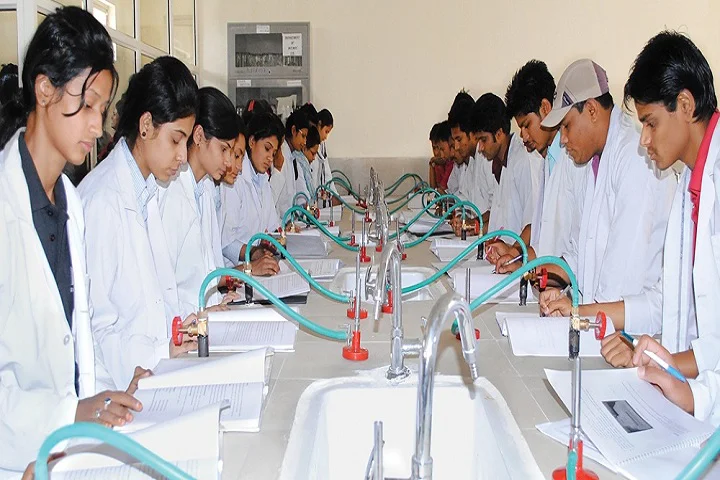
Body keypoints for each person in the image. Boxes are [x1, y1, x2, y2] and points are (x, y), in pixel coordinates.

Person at [0, 7, 145, 471]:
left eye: (102, 109)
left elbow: (76, 342)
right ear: (44, 89)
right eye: (87, 105)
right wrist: (70, 414)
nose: (97, 126)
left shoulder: (70, 202)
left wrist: (107, 395)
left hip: (70, 453)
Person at [594, 32, 720, 403]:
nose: (644, 140)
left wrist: (675, 376)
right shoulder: (688, 185)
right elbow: (669, 303)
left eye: (651, 123)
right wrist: (656, 357)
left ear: (685, 104)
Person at [79, 56, 201, 391]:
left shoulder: (148, 192)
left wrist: (178, 332)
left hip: (155, 372)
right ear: (146, 125)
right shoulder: (101, 200)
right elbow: (97, 329)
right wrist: (160, 351)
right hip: (122, 388)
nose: (182, 156)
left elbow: (156, 297)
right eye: (176, 140)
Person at [537, 59, 676, 331]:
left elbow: (621, 279)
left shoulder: (634, 156)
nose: (562, 139)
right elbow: (580, 251)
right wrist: (560, 293)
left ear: (591, 110)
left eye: (566, 126)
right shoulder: (593, 161)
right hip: (601, 322)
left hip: (632, 333)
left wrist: (578, 312)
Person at [489, 60, 588, 270]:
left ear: (545, 108)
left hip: (565, 277)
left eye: (527, 125)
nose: (523, 136)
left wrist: (524, 263)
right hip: (549, 273)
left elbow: (572, 242)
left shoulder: (573, 158)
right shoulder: (547, 158)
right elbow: (543, 230)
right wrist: (515, 254)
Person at [158, 87, 243, 315]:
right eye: (223, 149)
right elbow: (165, 288)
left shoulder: (204, 188)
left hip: (203, 316)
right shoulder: (170, 191)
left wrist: (221, 299)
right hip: (185, 322)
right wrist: (203, 311)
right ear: (198, 136)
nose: (228, 162)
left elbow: (208, 269)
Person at [475, 93, 543, 244]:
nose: (480, 148)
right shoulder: (500, 163)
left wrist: (512, 251)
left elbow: (532, 224)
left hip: (519, 255)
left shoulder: (523, 160)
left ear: (499, 134)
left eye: (483, 140)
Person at [217, 116, 280, 275]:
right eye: (267, 148)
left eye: (273, 153)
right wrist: (254, 252)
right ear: (252, 142)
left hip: (252, 269)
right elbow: (225, 242)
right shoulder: (233, 179)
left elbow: (272, 227)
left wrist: (271, 243)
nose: (270, 158)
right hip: (233, 271)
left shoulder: (262, 179)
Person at [447, 92, 497, 231]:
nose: (457, 147)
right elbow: (464, 198)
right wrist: (460, 218)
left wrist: (472, 224)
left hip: (490, 234)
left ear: (472, 134)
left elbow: (497, 208)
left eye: (459, 139)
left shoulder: (487, 158)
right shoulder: (471, 161)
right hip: (478, 233)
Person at [271, 109, 310, 218]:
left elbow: (297, 191)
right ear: (293, 130)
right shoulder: (281, 155)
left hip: (289, 220)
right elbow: (277, 199)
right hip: (281, 221)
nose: (305, 142)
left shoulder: (292, 157)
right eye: (303, 136)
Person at [428, 121, 454, 192]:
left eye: (441, 149)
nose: (437, 153)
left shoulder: (452, 163)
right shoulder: (439, 164)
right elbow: (433, 189)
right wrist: (431, 164)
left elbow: (440, 190)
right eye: (434, 148)